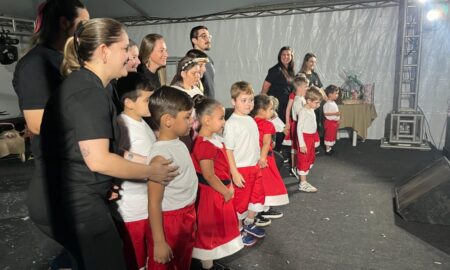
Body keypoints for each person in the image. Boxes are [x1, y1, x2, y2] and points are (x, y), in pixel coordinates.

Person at [40, 18, 178, 269]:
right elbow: (99, 159)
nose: (129, 56)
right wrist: (151, 171)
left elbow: (90, 150)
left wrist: (107, 182)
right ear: (104, 51)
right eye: (125, 49)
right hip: (74, 202)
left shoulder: (97, 87)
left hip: (78, 195)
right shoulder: (88, 91)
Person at [12, 0, 89, 238]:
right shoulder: (36, 63)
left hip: (80, 173)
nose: (86, 33)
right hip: (61, 178)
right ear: (64, 23)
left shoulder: (65, 59)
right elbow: (37, 123)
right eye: (83, 25)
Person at [146, 87, 198, 269]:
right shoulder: (161, 156)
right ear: (168, 120)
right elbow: (154, 202)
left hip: (185, 216)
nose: (191, 121)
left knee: (183, 262)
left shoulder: (179, 143)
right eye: (187, 117)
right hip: (170, 222)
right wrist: (159, 242)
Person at [191, 96, 243, 270]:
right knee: (209, 230)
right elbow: (209, 175)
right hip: (212, 194)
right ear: (206, 120)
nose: (224, 121)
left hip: (219, 190)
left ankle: (211, 260)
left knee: (218, 228)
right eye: (221, 118)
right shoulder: (204, 144)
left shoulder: (213, 139)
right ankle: (207, 265)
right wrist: (226, 191)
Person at [115, 72, 155, 270]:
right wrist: (147, 163)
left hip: (145, 203)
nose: (152, 104)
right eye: (147, 99)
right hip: (131, 208)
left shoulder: (142, 122)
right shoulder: (122, 125)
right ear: (129, 102)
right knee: (135, 258)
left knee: (147, 255)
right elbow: (115, 154)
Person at [224, 81, 266, 247]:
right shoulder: (231, 124)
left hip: (254, 167)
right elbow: (228, 150)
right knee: (240, 204)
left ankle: (248, 224)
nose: (249, 104)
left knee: (256, 199)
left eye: (251, 100)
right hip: (241, 170)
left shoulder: (250, 120)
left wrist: (259, 158)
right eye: (244, 100)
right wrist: (234, 172)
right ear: (234, 101)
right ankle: (238, 230)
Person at [251, 94, 289, 222]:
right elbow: (267, 143)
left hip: (252, 157)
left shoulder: (250, 122)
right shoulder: (268, 125)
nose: (273, 112)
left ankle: (260, 210)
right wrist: (263, 158)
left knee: (258, 184)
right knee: (268, 183)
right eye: (270, 109)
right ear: (261, 110)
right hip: (265, 158)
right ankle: (263, 210)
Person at [261, 46, 295, 152]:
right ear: (279, 56)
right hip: (276, 106)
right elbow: (265, 87)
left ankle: (277, 151)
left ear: (291, 56)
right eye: (283, 54)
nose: (286, 56)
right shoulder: (275, 70)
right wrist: (262, 105)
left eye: (288, 54)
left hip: (286, 106)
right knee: (278, 129)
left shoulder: (290, 71)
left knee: (283, 128)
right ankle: (274, 152)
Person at [296, 87, 323, 193]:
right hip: (305, 139)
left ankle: (301, 175)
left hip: (311, 138)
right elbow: (299, 129)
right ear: (308, 101)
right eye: (316, 102)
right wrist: (302, 144)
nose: (318, 105)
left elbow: (313, 126)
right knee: (304, 160)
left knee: (310, 158)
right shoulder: (303, 112)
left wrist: (315, 138)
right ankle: (302, 184)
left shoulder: (311, 110)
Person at [285, 75, 309, 178]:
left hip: (299, 124)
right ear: (299, 87)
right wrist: (288, 123)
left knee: (297, 146)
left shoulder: (301, 98)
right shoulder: (297, 100)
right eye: (306, 86)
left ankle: (297, 166)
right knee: (297, 146)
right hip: (297, 125)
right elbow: (297, 113)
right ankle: (295, 167)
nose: (307, 88)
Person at [190, 26, 215, 98]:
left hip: (209, 104)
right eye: (204, 36)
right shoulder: (191, 60)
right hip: (199, 105)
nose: (208, 39)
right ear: (194, 40)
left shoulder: (209, 59)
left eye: (209, 36)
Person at [323, 85, 341, 155]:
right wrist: (335, 113)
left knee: (332, 136)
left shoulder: (333, 102)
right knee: (329, 136)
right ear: (330, 94)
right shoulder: (327, 104)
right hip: (330, 123)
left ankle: (330, 147)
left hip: (333, 123)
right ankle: (327, 150)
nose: (337, 95)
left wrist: (338, 119)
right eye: (336, 93)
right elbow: (326, 114)